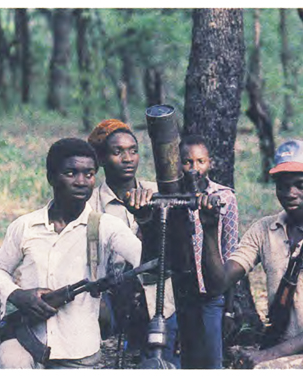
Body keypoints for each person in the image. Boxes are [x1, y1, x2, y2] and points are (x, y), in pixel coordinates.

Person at [199, 140, 303, 369]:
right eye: (283, 186)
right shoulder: (264, 229)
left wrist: (268, 355)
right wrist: (209, 231)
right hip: (281, 349)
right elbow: (218, 283)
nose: (290, 193)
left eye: (301, 185)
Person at [0, 138, 142, 368]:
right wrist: (17, 295)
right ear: (51, 177)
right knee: (9, 359)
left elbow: (145, 261)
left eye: (89, 174)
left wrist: (147, 222)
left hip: (78, 350)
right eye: (71, 173)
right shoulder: (26, 226)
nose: (81, 182)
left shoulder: (105, 226)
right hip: (27, 337)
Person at [87, 119, 179, 367]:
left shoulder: (158, 191)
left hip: (159, 294)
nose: (128, 158)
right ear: (102, 159)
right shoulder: (91, 204)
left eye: (133, 150)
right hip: (113, 295)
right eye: (117, 152)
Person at [171, 134, 239, 369]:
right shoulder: (170, 198)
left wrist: (229, 310)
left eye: (200, 161)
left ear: (210, 163)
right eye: (187, 162)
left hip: (211, 295)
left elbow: (231, 252)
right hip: (177, 296)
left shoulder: (224, 198)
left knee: (212, 361)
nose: (194, 168)